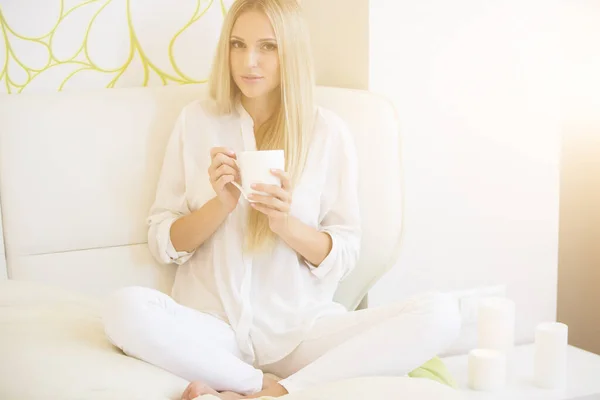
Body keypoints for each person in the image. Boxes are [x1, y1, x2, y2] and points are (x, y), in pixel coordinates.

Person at [101, 0, 461, 399]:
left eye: (267, 47)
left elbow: (344, 253)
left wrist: (285, 224)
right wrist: (219, 205)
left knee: (440, 314)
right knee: (123, 309)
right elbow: (163, 241)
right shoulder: (197, 121)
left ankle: (284, 392)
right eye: (238, 45)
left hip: (301, 332)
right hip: (213, 331)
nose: (249, 61)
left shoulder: (328, 133)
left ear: (290, 51)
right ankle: (256, 386)